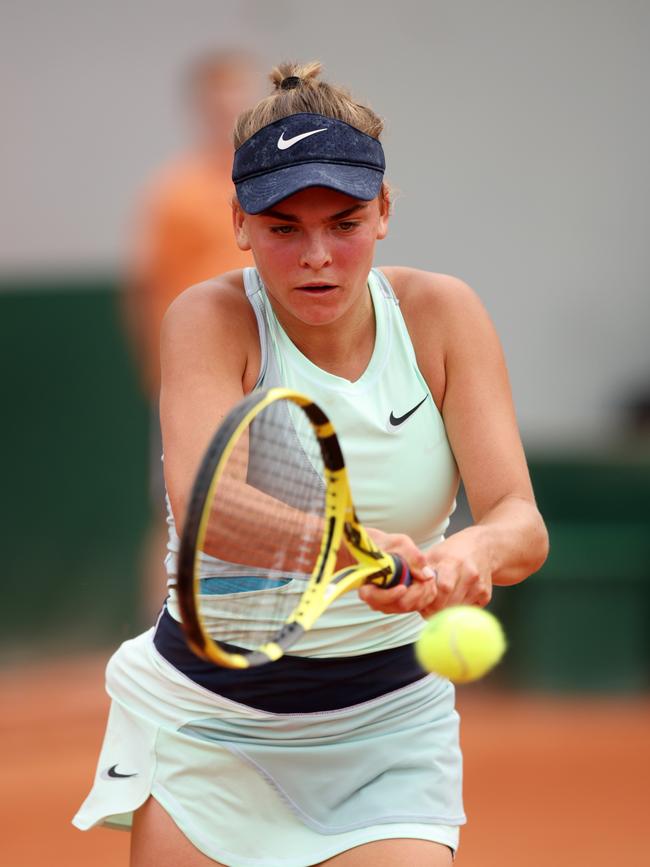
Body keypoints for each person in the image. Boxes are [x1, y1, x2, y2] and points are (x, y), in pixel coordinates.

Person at [74, 61, 549, 866]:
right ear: (239, 223)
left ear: (387, 210)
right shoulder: (210, 319)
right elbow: (204, 505)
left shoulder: (443, 316)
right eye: (283, 226)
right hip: (208, 718)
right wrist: (351, 544)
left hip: (388, 723)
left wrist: (474, 550)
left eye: (346, 221)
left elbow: (520, 522)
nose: (317, 255)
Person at [122, 50, 259, 616]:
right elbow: (146, 288)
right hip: (194, 372)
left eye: (239, 97)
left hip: (274, 365)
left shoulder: (275, 186)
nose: (229, 110)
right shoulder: (173, 192)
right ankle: (161, 632)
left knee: (269, 503)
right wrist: (163, 374)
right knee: (177, 508)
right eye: (218, 100)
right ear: (200, 109)